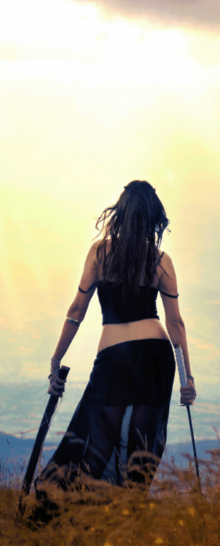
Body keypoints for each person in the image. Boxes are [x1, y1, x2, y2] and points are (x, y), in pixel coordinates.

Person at [39, 180, 196, 490]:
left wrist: (56, 360)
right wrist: (187, 380)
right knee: (141, 450)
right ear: (154, 218)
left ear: (120, 214)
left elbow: (76, 311)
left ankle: (74, 510)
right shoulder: (161, 261)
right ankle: (130, 517)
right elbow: (175, 323)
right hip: (155, 357)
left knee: (95, 443)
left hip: (114, 358)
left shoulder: (100, 253)